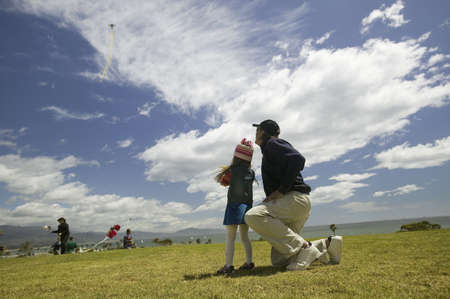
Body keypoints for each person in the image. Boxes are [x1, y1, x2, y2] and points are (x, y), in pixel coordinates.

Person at [245, 120, 342, 271]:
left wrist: (281, 190)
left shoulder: (272, 143)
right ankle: (327, 244)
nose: (255, 134)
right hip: (296, 204)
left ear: (263, 132)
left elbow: (298, 158)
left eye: (257, 131)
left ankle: (304, 247)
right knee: (279, 260)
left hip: (293, 199)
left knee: (252, 216)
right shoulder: (270, 148)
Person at [215, 138, 256, 274]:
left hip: (234, 206)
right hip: (247, 207)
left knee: (230, 238)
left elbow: (224, 182)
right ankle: (249, 262)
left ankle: (228, 266)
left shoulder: (231, 171)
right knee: (245, 237)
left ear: (236, 156)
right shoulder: (251, 172)